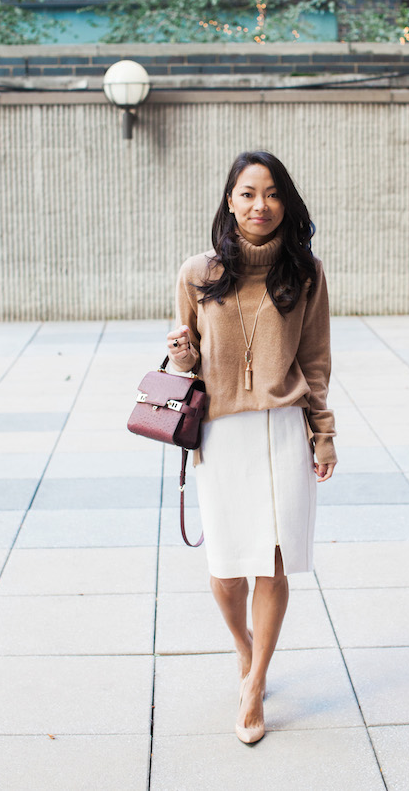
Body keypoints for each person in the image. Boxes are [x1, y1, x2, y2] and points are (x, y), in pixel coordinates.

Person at [166, 150, 336, 745]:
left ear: (285, 201)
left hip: (284, 428)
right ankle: (244, 648)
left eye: (270, 194)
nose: (259, 205)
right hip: (221, 431)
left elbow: (314, 362)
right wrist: (185, 353)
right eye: (246, 193)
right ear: (229, 201)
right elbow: (185, 365)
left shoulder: (305, 272)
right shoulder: (198, 273)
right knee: (226, 567)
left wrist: (324, 435)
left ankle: (255, 681)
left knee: (275, 560)